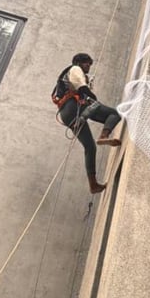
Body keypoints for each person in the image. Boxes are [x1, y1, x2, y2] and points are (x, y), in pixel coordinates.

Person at [56, 53, 122, 194]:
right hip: (74, 106)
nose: (88, 66)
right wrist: (94, 99)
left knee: (90, 147)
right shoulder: (75, 69)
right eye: (87, 63)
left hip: (66, 114)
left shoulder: (67, 76)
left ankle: (93, 185)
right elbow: (82, 89)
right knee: (115, 114)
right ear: (79, 62)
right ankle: (104, 136)